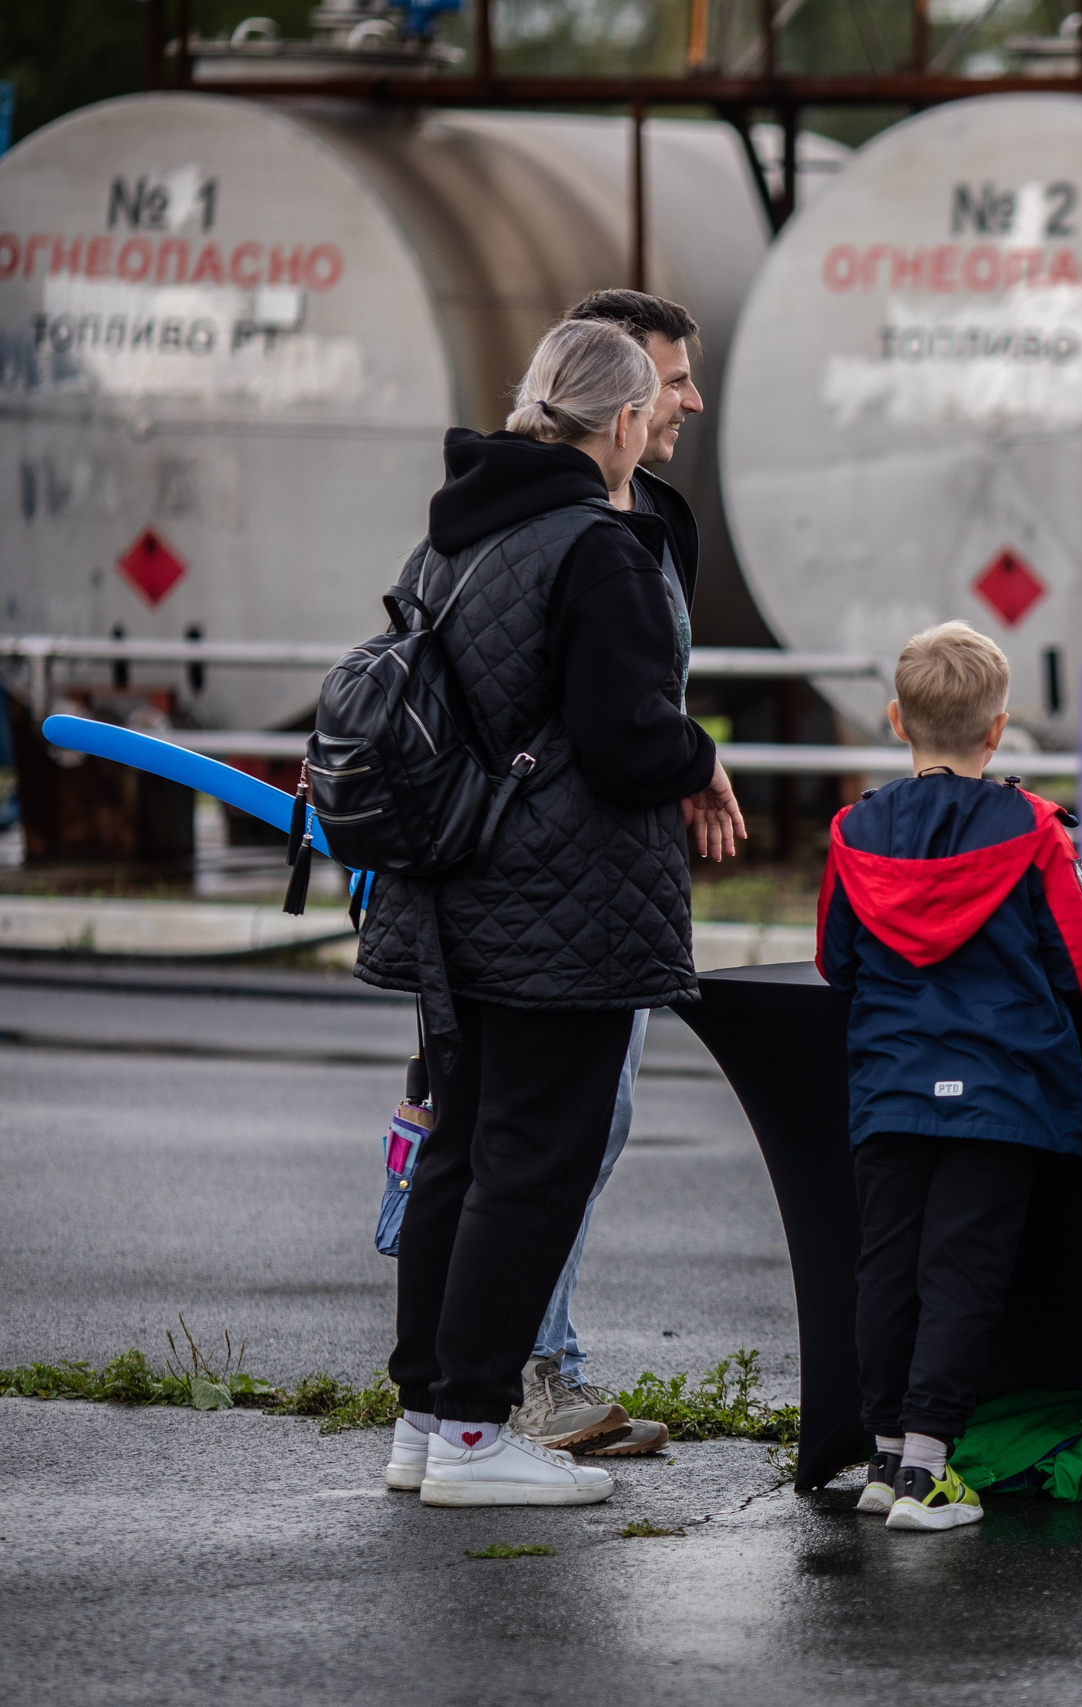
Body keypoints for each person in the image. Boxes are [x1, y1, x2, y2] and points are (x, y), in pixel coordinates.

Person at [360, 317, 740, 1507]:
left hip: (452, 882)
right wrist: (696, 755)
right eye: (658, 408)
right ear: (621, 422)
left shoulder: (455, 534)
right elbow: (625, 740)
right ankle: (477, 1433)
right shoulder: (597, 544)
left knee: (461, 1155)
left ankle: (426, 1419)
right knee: (537, 1162)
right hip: (560, 897)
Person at [505, 288, 742, 1460]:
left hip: (616, 861)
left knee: (588, 1126)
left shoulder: (658, 516)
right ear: (615, 393)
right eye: (673, 377)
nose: (691, 399)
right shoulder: (552, 525)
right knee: (537, 1133)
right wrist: (685, 757)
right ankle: (515, 1383)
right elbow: (612, 715)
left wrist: (685, 762)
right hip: (547, 872)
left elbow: (651, 694)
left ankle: (503, 1381)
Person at [818, 622, 1082, 1531]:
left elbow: (837, 959)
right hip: (1002, 1088)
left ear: (897, 721)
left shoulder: (853, 829)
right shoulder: (1031, 829)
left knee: (887, 1269)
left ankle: (881, 1457)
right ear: (999, 729)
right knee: (962, 1275)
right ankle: (931, 1469)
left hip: (894, 1085)